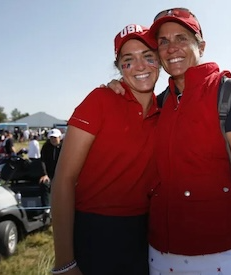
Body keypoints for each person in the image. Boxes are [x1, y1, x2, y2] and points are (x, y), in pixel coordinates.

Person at [108, 8, 231, 274]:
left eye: (181, 38)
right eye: (163, 41)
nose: (172, 48)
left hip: (228, 255)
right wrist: (116, 90)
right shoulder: (160, 103)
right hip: (161, 255)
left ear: (201, 46)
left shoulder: (230, 95)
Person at [51, 24, 160, 275]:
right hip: (95, 232)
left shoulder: (163, 109)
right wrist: (64, 262)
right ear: (119, 67)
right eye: (128, 60)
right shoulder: (100, 100)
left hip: (145, 235)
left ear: (159, 61)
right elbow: (64, 180)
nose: (140, 66)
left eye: (147, 56)